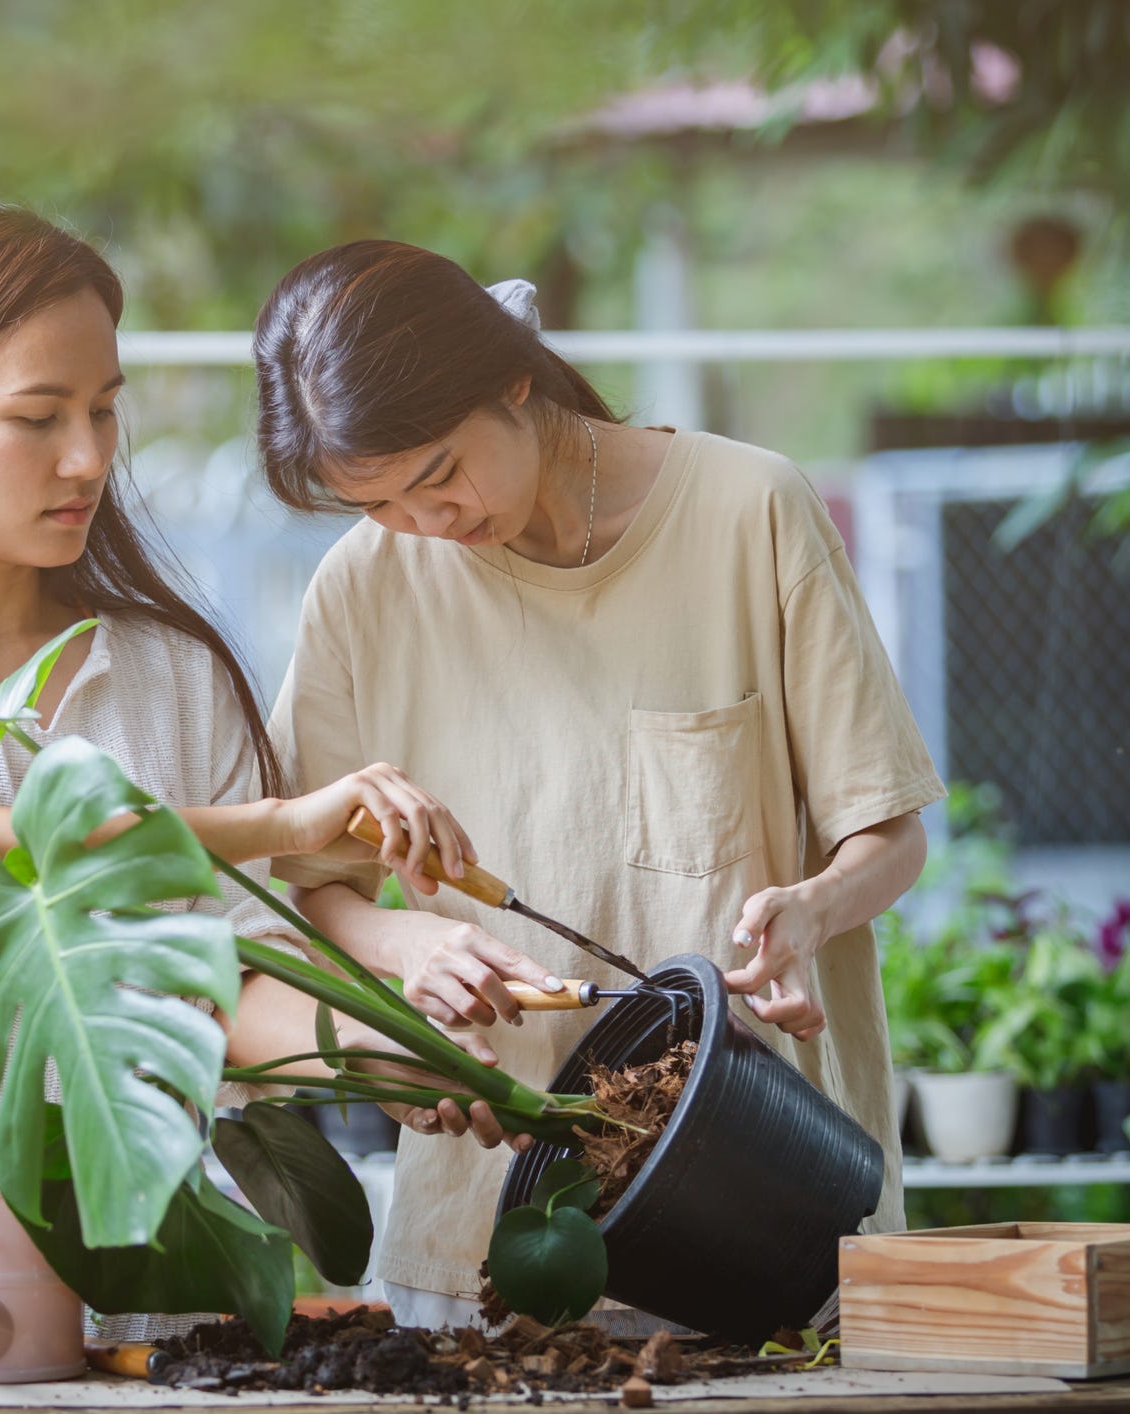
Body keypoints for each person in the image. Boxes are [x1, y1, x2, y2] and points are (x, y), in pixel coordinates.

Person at [0, 209, 513, 1414]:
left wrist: (374, 1053)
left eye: (104, 409)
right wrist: (277, 824)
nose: (87, 457)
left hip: (136, 1333)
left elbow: (233, 969)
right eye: (37, 417)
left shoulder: (168, 670)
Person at [253, 241, 945, 1332]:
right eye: (377, 500)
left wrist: (808, 910)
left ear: (512, 374)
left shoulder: (749, 510)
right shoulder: (362, 588)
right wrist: (407, 945)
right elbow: (310, 884)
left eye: (437, 474)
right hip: (488, 1236)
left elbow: (891, 836)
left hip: (771, 1199)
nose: (428, 522)